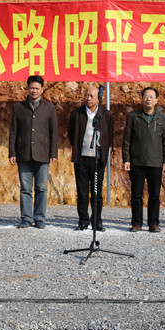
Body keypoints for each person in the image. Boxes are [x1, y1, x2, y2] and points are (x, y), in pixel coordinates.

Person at [9, 75, 58, 229]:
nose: (34, 91)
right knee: (25, 188)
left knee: (41, 188)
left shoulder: (49, 108)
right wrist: (12, 152)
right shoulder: (19, 107)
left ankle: (39, 218)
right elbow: (13, 131)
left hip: (42, 154)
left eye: (37, 88)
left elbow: (53, 132)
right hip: (23, 153)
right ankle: (26, 218)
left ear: (42, 89)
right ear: (27, 88)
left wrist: (53, 153)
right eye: (32, 88)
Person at [122, 87, 165, 233]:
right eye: (146, 96)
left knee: (154, 195)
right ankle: (136, 223)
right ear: (142, 99)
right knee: (136, 195)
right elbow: (127, 140)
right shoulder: (133, 117)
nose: (148, 99)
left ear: (156, 100)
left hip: (156, 162)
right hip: (137, 162)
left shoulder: (163, 118)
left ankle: (153, 223)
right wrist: (126, 159)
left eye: (151, 96)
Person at [68, 86, 113, 232]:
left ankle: (97, 221)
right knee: (82, 192)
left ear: (98, 98)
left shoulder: (105, 115)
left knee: (96, 192)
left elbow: (109, 135)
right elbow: (71, 134)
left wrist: (103, 152)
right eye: (86, 95)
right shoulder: (77, 114)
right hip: (81, 158)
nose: (88, 98)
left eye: (92, 96)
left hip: (97, 159)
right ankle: (83, 220)